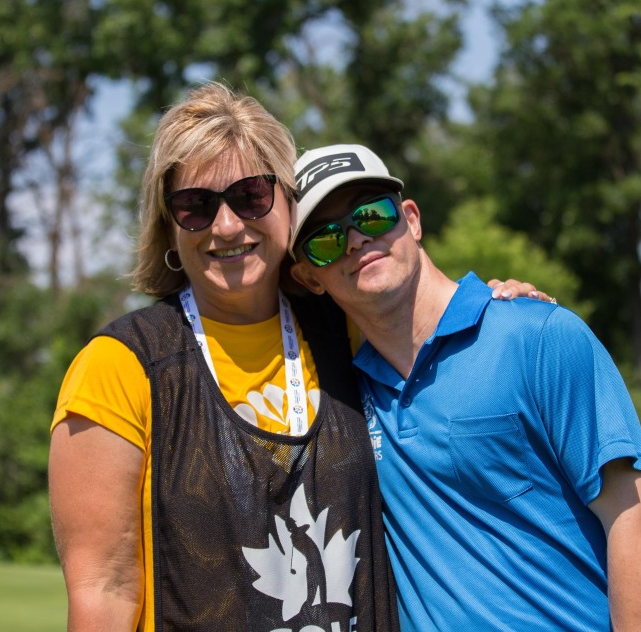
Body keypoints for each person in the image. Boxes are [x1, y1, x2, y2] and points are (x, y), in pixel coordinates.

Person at [47, 84, 540, 631]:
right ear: (168, 224)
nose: (227, 225)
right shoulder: (121, 365)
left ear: (287, 204)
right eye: (196, 207)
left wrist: (500, 309)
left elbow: (438, 326)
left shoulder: (351, 332)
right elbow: (104, 589)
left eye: (251, 195)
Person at [287, 143, 641, 631]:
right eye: (325, 239)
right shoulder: (341, 396)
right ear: (309, 277)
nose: (356, 240)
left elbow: (635, 519)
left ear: (411, 218)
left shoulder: (540, 336)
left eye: (372, 215)